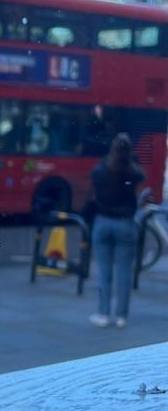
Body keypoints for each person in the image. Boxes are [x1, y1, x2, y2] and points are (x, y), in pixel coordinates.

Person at [89, 133, 144, 328]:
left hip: (103, 222)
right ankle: (121, 316)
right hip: (125, 224)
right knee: (124, 272)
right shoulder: (133, 172)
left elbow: (94, 181)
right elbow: (140, 175)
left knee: (104, 272)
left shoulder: (101, 171)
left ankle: (103, 313)